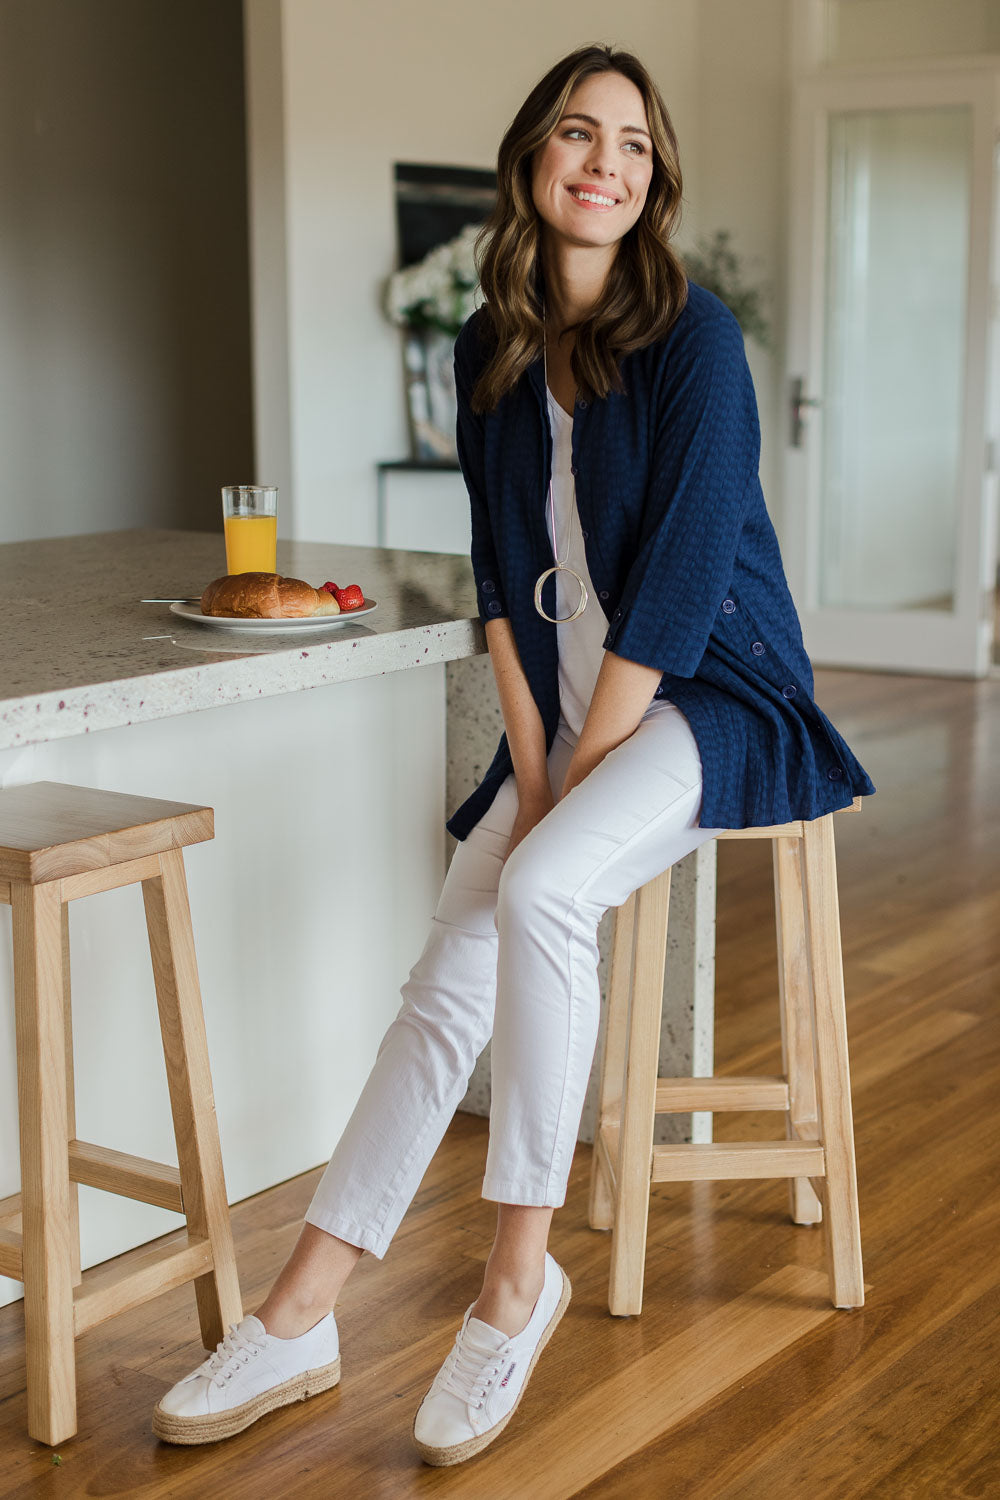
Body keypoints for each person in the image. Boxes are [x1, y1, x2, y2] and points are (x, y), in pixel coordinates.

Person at [152, 42, 874, 1465]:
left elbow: (671, 596)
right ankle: (301, 1312)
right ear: (532, 163)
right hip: (569, 712)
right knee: (449, 971)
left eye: (631, 141)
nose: (603, 160)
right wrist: (534, 769)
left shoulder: (698, 340)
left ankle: (513, 1280)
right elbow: (496, 581)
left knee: (542, 896)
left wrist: (584, 783)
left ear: (656, 177)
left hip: (711, 698)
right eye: (575, 135)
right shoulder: (492, 346)